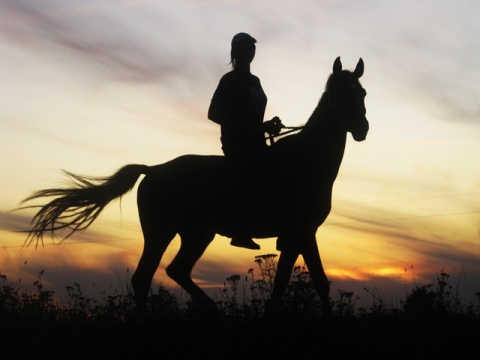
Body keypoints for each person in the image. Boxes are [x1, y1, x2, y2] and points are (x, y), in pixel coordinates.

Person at [208, 32, 283, 250]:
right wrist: (249, 128)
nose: (250, 51)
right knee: (254, 174)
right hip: (237, 144)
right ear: (236, 52)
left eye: (252, 48)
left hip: (257, 142)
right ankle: (240, 230)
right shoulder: (229, 80)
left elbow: (254, 115)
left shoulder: (255, 81)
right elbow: (213, 113)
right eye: (245, 48)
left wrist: (268, 125)